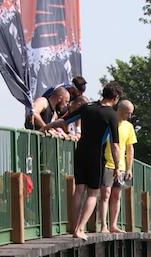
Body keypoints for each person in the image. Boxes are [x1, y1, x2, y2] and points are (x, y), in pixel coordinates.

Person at [47, 82, 122, 240]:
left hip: (80, 150)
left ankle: (73, 227)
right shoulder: (112, 115)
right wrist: (117, 167)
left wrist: (45, 127)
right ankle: (80, 229)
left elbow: (64, 121)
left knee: (79, 189)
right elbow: (115, 145)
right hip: (95, 154)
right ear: (115, 98)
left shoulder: (87, 107)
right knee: (93, 193)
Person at [97, 99, 136, 233]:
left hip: (122, 166)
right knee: (105, 194)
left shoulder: (129, 127)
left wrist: (129, 168)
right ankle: (103, 225)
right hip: (107, 162)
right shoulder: (109, 121)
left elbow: (130, 148)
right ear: (120, 110)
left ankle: (113, 224)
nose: (129, 116)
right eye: (128, 113)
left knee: (116, 195)